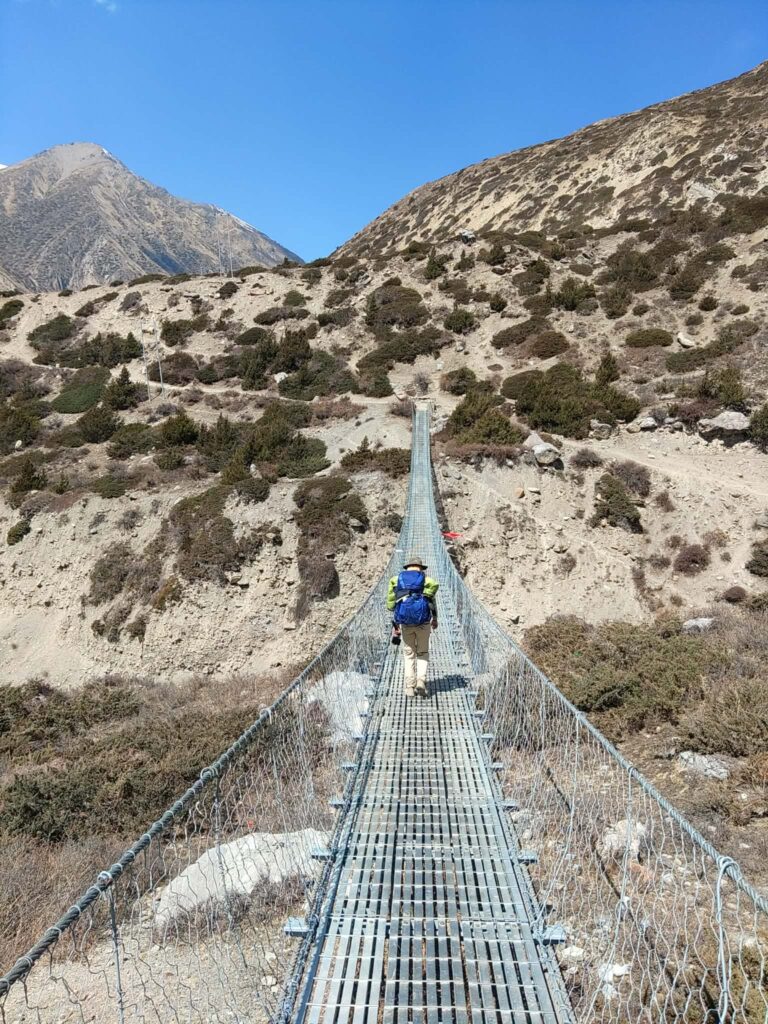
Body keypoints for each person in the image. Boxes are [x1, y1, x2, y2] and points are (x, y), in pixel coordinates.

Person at [386, 556, 438, 698]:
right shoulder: (426, 581)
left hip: (406, 623)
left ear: (407, 567)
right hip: (423, 623)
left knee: (409, 655)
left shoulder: (396, 580)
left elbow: (391, 604)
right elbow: (431, 600)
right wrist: (435, 618)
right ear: (420, 568)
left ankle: (409, 687)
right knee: (422, 653)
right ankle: (421, 680)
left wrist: (395, 616)